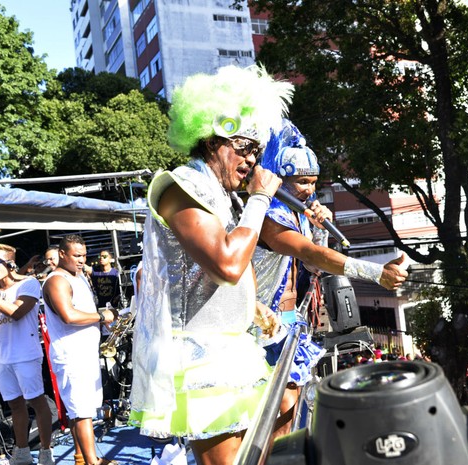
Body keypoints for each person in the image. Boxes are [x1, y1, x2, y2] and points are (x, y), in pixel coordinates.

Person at [129, 64, 293, 465]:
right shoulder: (182, 185)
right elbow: (226, 264)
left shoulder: (223, 195)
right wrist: (259, 200)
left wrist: (251, 305)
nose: (253, 160)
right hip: (200, 355)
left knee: (285, 406)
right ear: (212, 140)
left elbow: (226, 274)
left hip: (234, 346)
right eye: (245, 147)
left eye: (256, 150)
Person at [252, 119, 408, 436]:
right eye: (302, 182)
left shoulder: (297, 214)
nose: (309, 190)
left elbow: (314, 267)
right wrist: (377, 273)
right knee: (278, 405)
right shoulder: (270, 215)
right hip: (258, 320)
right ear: (278, 180)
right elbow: (310, 255)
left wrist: (321, 231)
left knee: (292, 403)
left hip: (288, 318)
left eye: (313, 182)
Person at [0, 245, 55, 465]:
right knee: (15, 405)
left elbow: (17, 312)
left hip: (25, 354)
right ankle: (22, 451)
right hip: (2, 357)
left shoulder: (28, 283)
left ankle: (46, 451)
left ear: (10, 264)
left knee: (36, 401)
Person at [41, 235, 117, 465]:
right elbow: (69, 315)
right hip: (71, 355)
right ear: (62, 254)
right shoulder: (57, 281)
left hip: (84, 353)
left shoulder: (80, 276)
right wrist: (101, 316)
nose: (82, 260)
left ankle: (82, 458)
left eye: (84, 255)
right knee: (82, 412)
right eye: (76, 255)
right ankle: (92, 461)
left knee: (82, 411)